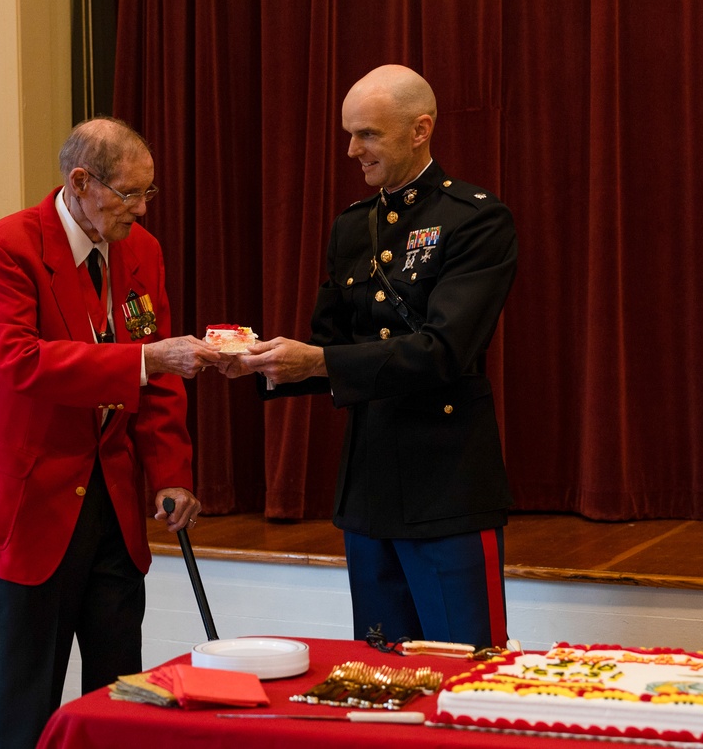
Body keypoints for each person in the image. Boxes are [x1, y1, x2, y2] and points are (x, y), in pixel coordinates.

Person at [220, 65, 518, 650]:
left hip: (446, 488)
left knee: (466, 669)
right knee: (378, 677)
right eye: (349, 134)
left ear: (419, 129)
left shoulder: (476, 219)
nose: (352, 150)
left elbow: (445, 350)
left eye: (368, 134)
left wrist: (317, 363)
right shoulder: (352, 227)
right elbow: (330, 346)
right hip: (369, 489)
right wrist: (264, 362)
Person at [0, 116, 219, 749]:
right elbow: (21, 361)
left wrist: (172, 472)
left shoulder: (140, 250)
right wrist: (147, 360)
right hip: (32, 499)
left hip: (114, 500)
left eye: (148, 192)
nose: (142, 208)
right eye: (129, 194)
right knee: (29, 684)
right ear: (79, 182)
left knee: (118, 684)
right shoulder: (9, 248)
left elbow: (159, 380)